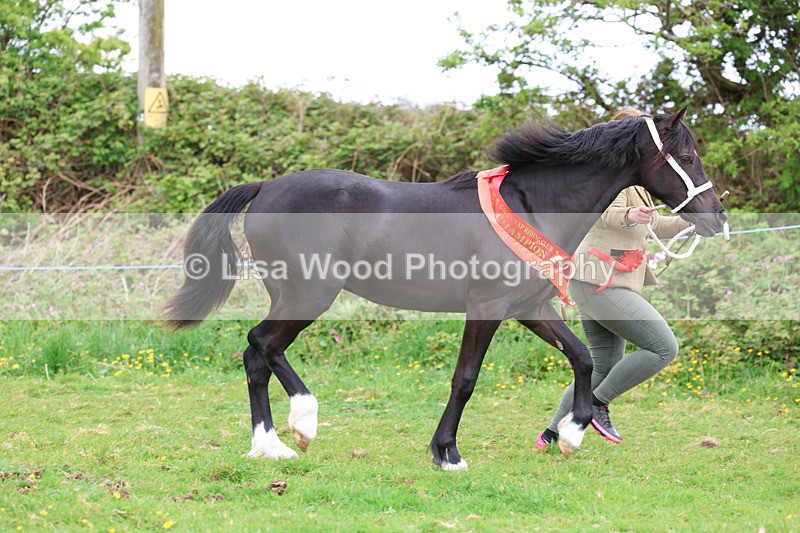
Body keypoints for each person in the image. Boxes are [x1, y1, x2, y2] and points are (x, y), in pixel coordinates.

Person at [536, 108, 693, 449]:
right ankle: (595, 405)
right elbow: (604, 212)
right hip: (599, 282)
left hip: (602, 282)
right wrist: (629, 215)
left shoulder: (639, 182)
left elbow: (654, 224)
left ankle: (550, 435)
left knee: (603, 366)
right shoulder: (606, 177)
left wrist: (696, 221)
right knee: (663, 347)